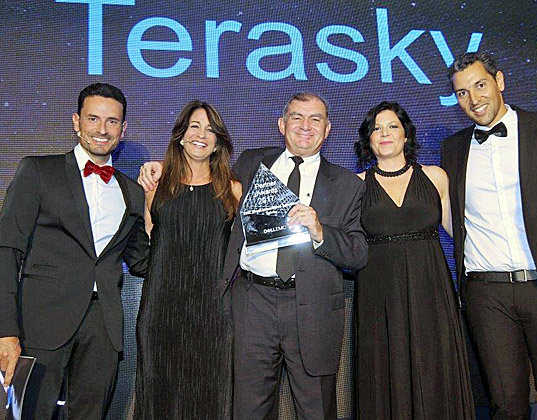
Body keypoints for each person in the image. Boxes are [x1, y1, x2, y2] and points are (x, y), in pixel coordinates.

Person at [139, 92, 368, 419]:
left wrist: (321, 231)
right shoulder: (251, 163)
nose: (305, 126)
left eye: (315, 119)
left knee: (316, 410)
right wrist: (161, 168)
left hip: (312, 310)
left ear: (328, 129)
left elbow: (358, 254)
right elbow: (204, 174)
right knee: (249, 410)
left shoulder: (347, 184)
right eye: (297, 117)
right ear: (281, 124)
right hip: (252, 305)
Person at [441, 51, 537, 418]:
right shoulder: (453, 148)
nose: (474, 99)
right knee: (506, 407)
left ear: (499, 81)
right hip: (486, 295)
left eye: (480, 85)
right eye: (462, 93)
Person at [0, 83, 149, 418]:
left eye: (112, 121)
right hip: (40, 326)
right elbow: (6, 251)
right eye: (93, 118)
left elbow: (143, 261)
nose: (102, 129)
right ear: (76, 122)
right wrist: (5, 331)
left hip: (103, 329)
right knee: (26, 414)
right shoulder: (38, 171)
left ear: (123, 129)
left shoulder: (131, 191)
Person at [353, 101, 475, 419]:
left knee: (434, 365)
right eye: (376, 128)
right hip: (379, 296)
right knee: (384, 369)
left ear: (406, 134)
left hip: (431, 291)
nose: (385, 133)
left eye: (392, 126)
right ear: (368, 139)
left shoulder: (435, 177)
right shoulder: (356, 185)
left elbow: (463, 235)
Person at [133, 101, 242, 419]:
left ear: (218, 142)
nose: (201, 135)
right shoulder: (156, 186)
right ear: (181, 135)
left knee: (209, 398)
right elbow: (147, 244)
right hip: (161, 311)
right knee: (159, 396)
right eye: (194, 126)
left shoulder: (233, 190)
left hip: (213, 315)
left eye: (210, 129)